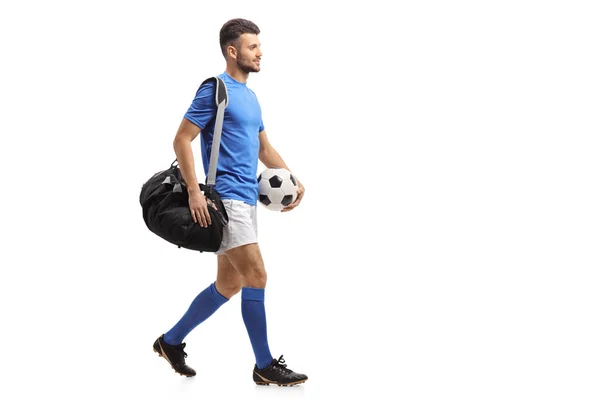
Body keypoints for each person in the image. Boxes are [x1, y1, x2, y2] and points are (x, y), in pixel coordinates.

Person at [151, 18, 308, 387]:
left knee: (229, 285)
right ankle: (264, 365)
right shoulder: (215, 89)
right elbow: (181, 140)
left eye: (259, 47)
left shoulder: (251, 98)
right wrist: (193, 191)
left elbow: (265, 149)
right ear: (232, 51)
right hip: (226, 200)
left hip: (248, 201)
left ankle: (170, 342)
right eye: (253, 47)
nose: (260, 53)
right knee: (256, 276)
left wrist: (294, 180)